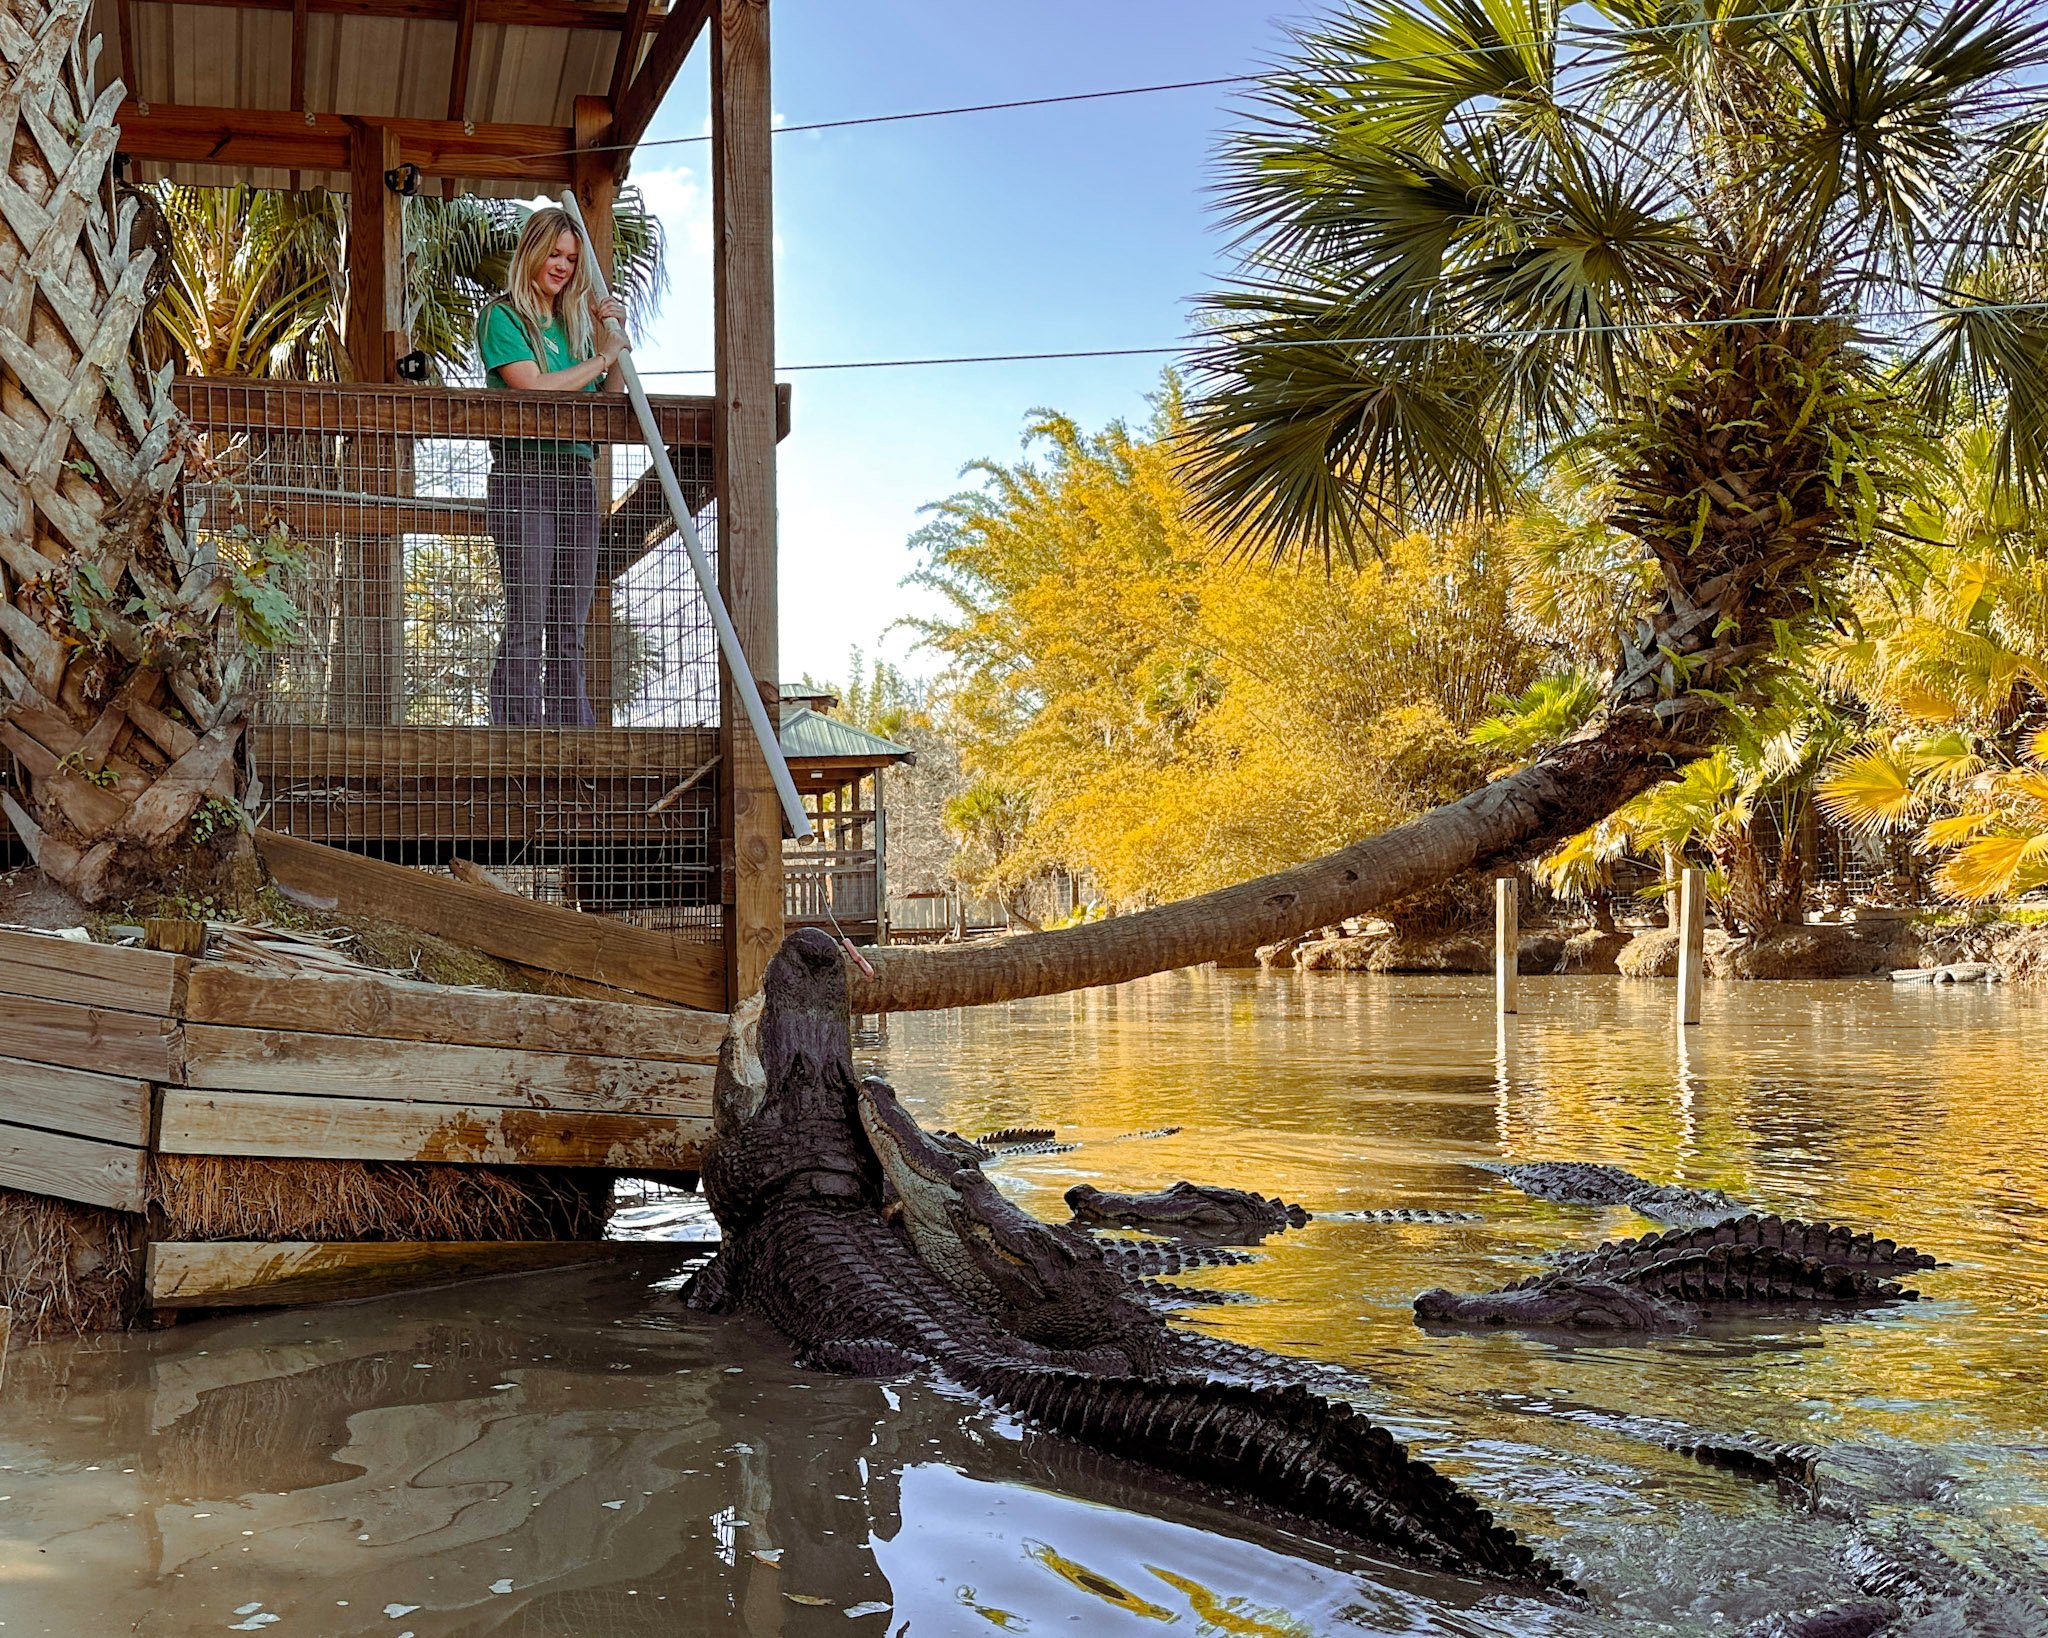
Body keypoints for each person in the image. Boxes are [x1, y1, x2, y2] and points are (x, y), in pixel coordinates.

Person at [476, 207, 629, 727]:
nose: (562, 266)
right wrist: (602, 360)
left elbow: (608, 399)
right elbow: (532, 387)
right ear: (532, 252)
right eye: (555, 254)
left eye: (571, 258)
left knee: (570, 620)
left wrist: (614, 344)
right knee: (528, 614)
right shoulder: (503, 318)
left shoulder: (575, 328)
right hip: (525, 476)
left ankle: (573, 738)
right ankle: (517, 734)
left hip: (576, 479)